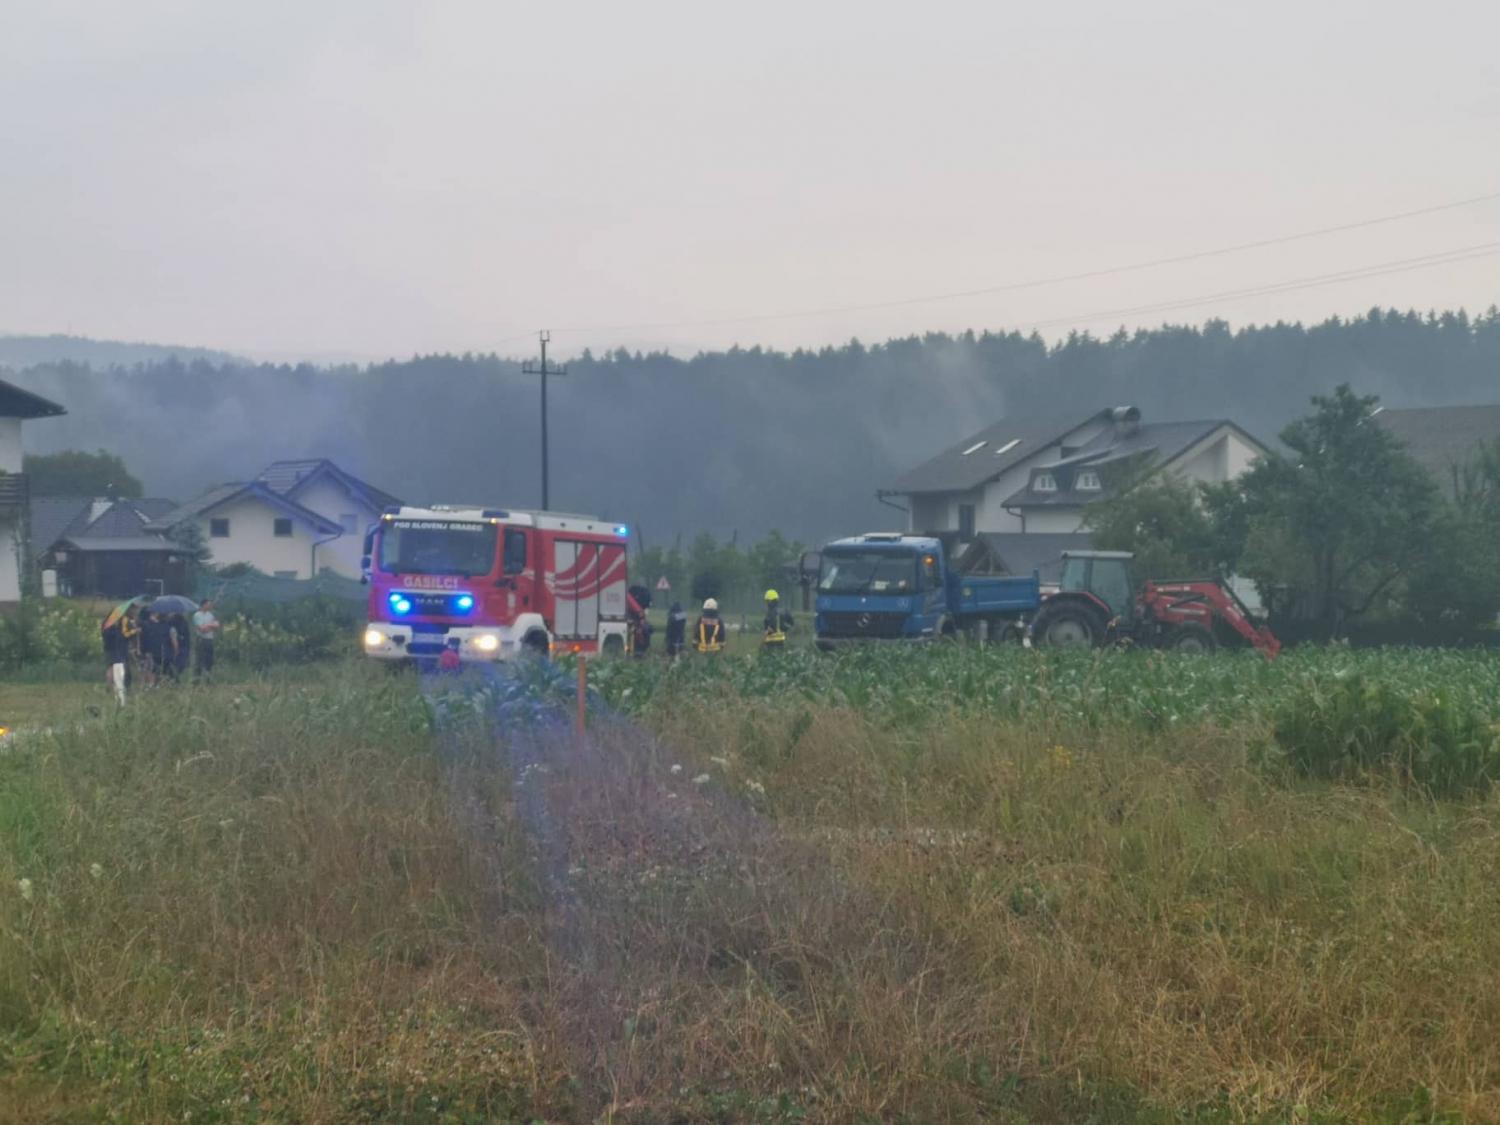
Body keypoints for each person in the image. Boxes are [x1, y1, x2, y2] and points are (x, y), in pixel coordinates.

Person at [101, 610, 129, 705]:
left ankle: (110, 686)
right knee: (113, 670)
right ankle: (111, 686)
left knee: (112, 669)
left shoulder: (114, 627)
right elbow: (110, 636)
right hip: (112, 650)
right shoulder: (109, 627)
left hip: (115, 651)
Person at [192, 599, 220, 680]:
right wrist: (211, 625)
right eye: (208, 604)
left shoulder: (210, 615)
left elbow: (217, 626)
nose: (210, 606)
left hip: (209, 639)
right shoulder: (197, 615)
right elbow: (203, 629)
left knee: (209, 659)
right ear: (203, 605)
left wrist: (207, 625)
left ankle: (208, 677)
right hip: (201, 639)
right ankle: (196, 678)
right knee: (199, 659)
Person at [138, 610, 162, 687]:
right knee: (149, 668)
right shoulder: (150, 624)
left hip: (145, 649)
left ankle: (144, 685)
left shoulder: (141, 624)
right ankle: (149, 685)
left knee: (145, 668)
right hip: (149, 650)